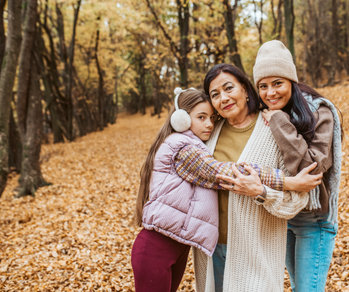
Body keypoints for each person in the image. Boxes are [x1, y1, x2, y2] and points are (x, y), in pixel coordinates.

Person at [131, 87, 321, 292]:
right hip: (156, 248)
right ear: (181, 120)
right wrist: (287, 182)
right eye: (201, 117)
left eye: (211, 118)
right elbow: (225, 172)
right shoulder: (183, 149)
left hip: (174, 248)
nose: (209, 124)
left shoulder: (195, 144)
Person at [192, 64, 321, 292]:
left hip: (256, 253)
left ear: (244, 88)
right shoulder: (207, 133)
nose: (224, 98)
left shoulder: (273, 128)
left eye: (229, 88)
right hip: (212, 250)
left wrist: (261, 192)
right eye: (215, 94)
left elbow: (297, 200)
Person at [253, 40, 343, 292]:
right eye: (263, 86)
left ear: (291, 80)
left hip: (314, 218)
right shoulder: (265, 113)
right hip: (283, 214)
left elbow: (313, 169)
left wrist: (280, 122)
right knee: (297, 287)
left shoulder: (319, 111)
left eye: (277, 83)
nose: (270, 93)